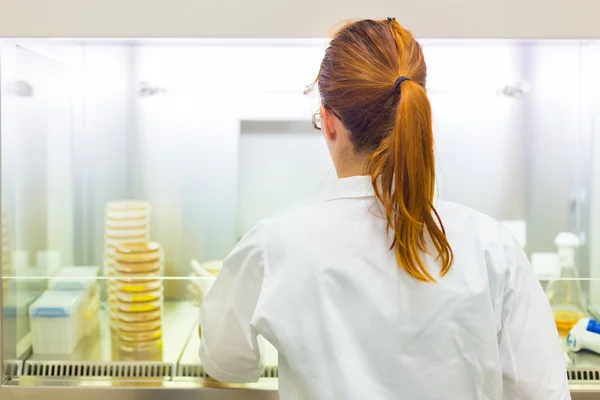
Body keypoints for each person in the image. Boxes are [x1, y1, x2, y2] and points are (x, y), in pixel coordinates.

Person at [199, 18, 569, 400]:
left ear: (328, 123)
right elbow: (543, 392)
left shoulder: (272, 247)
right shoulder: (493, 247)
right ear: (417, 110)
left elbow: (227, 362)